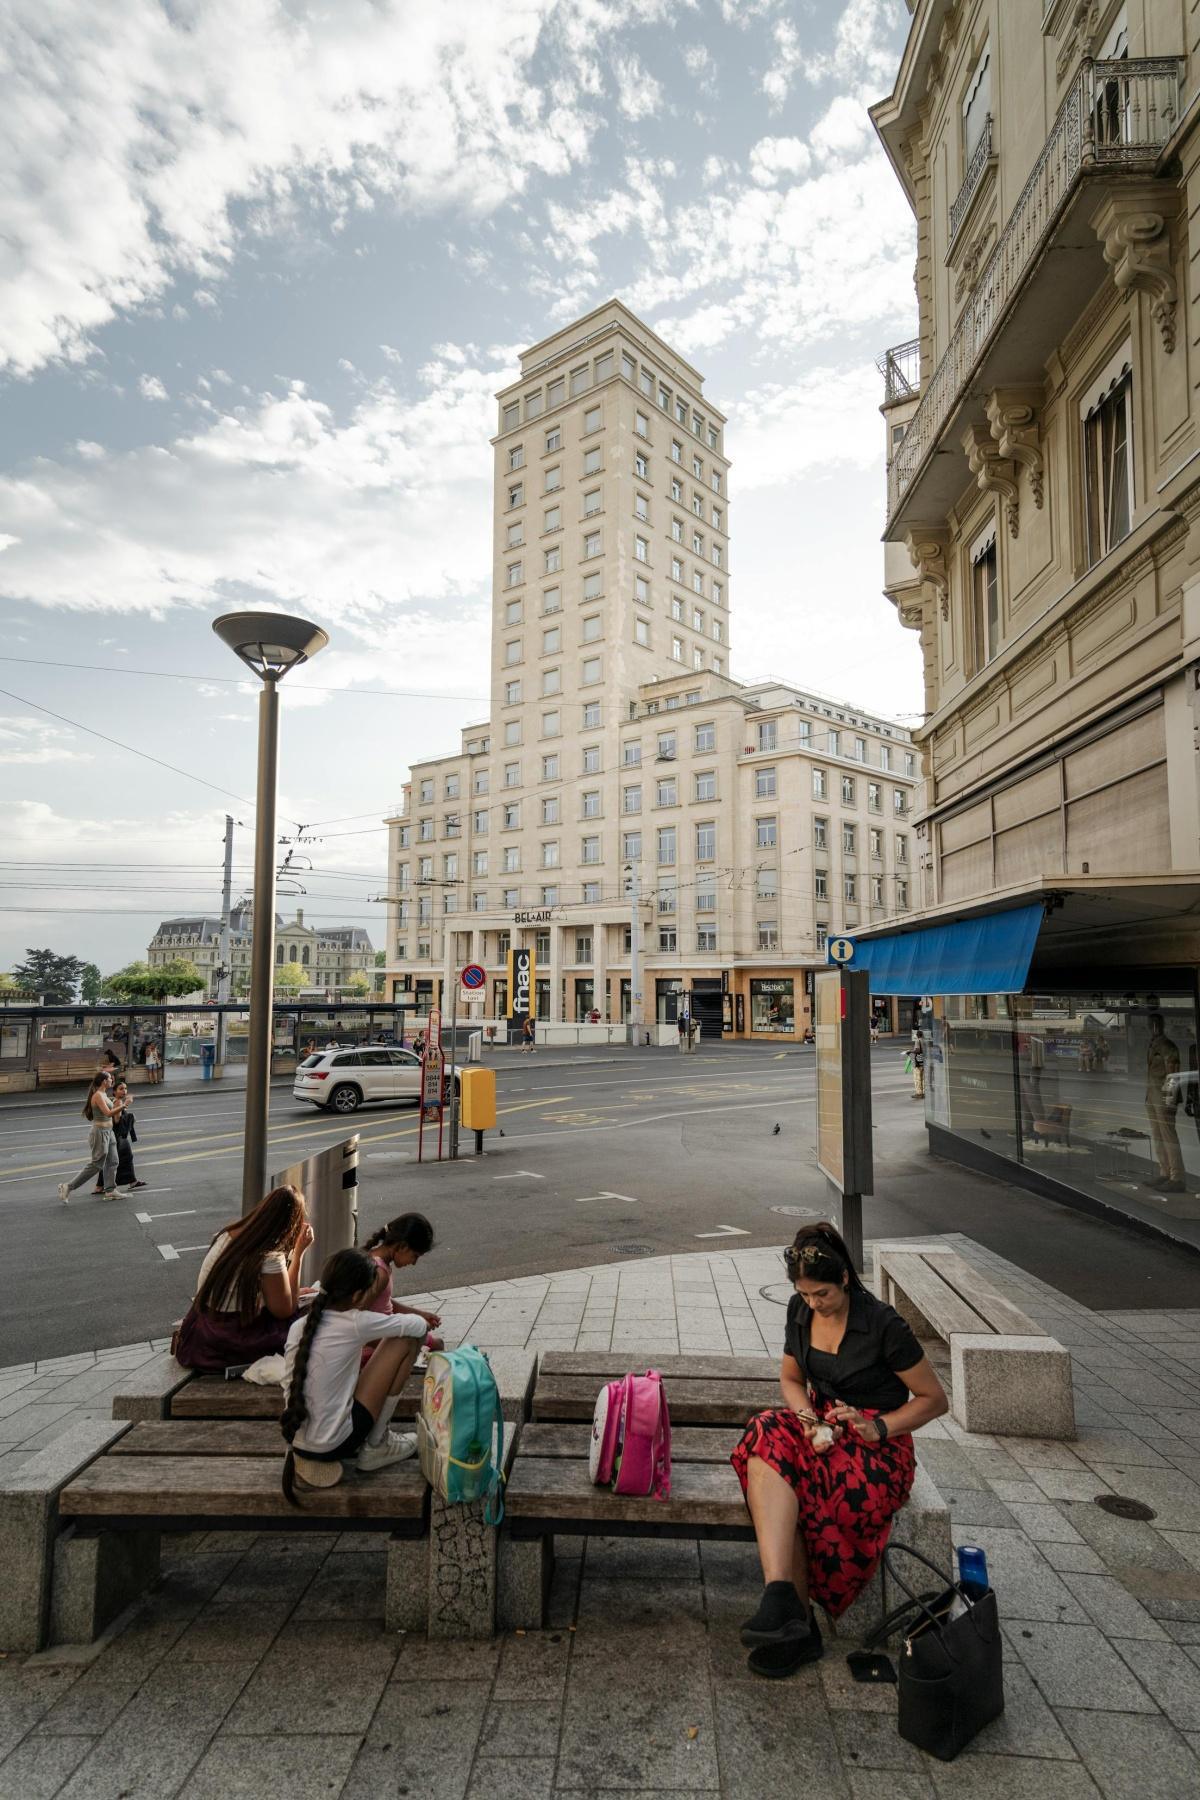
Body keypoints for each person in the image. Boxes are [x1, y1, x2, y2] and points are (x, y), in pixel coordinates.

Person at [731, 1222, 948, 1678]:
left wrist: (878, 1427)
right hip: (824, 1426)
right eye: (806, 1295)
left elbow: (934, 1400)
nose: (813, 1304)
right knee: (765, 1430)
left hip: (877, 1450)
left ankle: (801, 1626)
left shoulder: (883, 1325)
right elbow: (791, 1381)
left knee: (797, 1482)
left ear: (846, 1278)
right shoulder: (799, 1311)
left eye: (822, 1295)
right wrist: (808, 1418)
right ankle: (781, 1600)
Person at [280, 1247, 443, 1501]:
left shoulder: (298, 1326)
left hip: (299, 1440)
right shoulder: (355, 1321)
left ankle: (369, 1444)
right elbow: (418, 1326)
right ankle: (378, 1444)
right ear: (357, 1295)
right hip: (337, 1443)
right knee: (406, 1340)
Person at [174, 1184, 314, 1372]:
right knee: (307, 1324)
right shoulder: (269, 1255)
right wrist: (299, 1254)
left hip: (202, 1329)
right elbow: (285, 1310)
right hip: (232, 1339)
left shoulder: (228, 1235)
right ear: (290, 1225)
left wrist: (291, 1292)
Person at [359, 1213, 442, 1360]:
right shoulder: (379, 1272)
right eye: (415, 1256)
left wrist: (419, 1313)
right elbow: (359, 1319)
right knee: (428, 1342)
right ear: (402, 1246)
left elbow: (383, 1302)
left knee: (433, 1341)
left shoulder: (376, 1261)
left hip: (382, 1335)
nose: (414, 1263)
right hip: (373, 1346)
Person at [58, 1071, 119, 1204]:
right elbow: (108, 1113)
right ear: (104, 1081)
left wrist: (117, 1101)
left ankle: (110, 1190)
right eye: (109, 1078)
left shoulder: (104, 1094)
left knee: (113, 1161)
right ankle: (68, 1186)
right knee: (97, 1164)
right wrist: (123, 1106)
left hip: (109, 1131)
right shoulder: (98, 1095)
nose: (112, 1080)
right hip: (100, 1132)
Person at [1146, 1012, 1185, 1193]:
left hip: (1163, 1097)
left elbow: (1173, 1074)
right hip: (1153, 1096)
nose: (1153, 1027)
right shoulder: (1153, 1045)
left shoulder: (1168, 1047)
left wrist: (1169, 1100)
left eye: (1156, 1024)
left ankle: (1176, 1177)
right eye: (1151, 1024)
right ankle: (1165, 1172)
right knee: (1158, 1136)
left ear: (1161, 1026)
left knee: (1169, 1137)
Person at [91, 1080, 146, 1193]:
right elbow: (117, 1121)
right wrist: (129, 1115)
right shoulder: (118, 1102)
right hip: (117, 1136)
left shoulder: (117, 1101)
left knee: (126, 1158)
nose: (124, 1091)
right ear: (114, 1092)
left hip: (119, 1136)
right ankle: (99, 1186)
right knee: (110, 1161)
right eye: (121, 1089)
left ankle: (132, 1181)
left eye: (125, 1088)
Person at [909, 1028, 925, 1100]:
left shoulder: (917, 1041)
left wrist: (910, 1051)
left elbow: (917, 1050)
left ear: (917, 1035)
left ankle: (919, 1093)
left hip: (918, 1062)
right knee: (923, 1078)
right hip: (924, 1061)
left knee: (917, 1078)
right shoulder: (924, 1041)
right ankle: (924, 1092)